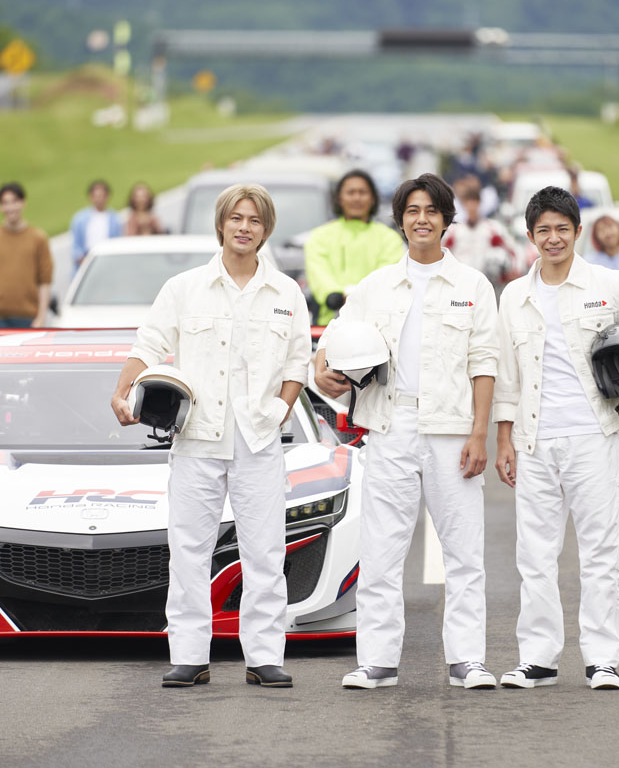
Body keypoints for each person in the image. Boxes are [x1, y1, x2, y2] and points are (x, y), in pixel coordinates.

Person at [110, 184, 312, 687]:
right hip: (197, 437)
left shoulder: (286, 293)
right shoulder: (184, 288)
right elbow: (149, 344)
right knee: (189, 550)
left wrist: (281, 408)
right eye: (236, 218)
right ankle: (190, 655)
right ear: (221, 224)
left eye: (255, 220)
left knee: (264, 552)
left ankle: (264, 657)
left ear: (266, 230)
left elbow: (297, 362)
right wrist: (121, 393)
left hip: (258, 439)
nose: (245, 227)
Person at [493, 186, 619, 691]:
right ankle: (538, 659)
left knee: (600, 554)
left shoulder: (608, 284)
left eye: (562, 229)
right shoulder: (515, 295)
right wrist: (504, 440)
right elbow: (507, 377)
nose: (553, 239)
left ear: (578, 231)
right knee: (534, 555)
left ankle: (603, 660)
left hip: (594, 437)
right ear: (530, 236)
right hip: (534, 443)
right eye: (543, 231)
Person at [314, 173, 499, 690]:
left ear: (446, 220)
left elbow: (486, 363)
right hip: (390, 428)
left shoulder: (473, 286)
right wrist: (322, 369)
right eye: (412, 210)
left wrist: (480, 432)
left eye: (432, 211)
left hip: (452, 430)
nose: (422, 219)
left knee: (464, 551)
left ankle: (468, 660)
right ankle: (377, 661)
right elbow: (326, 348)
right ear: (400, 220)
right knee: (381, 550)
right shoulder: (375, 287)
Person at [304, 169, 405, 325]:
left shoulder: (389, 238)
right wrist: (334, 295)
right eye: (350, 192)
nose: (356, 197)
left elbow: (387, 275)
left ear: (372, 198)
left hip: (375, 323)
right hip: (329, 323)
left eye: (362, 192)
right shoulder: (319, 236)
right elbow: (318, 273)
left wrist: (355, 297)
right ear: (339, 198)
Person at [0, 182, 53, 328]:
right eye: (5, 203)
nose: (10, 208)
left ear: (23, 203)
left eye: (14, 201)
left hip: (29, 317)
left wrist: (41, 318)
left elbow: (45, 281)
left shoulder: (38, 238)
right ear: (0, 207)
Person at [442, 174, 521, 286]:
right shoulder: (453, 231)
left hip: (486, 284)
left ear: (479, 203)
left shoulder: (492, 228)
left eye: (474, 202)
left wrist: (514, 272)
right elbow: (439, 254)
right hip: (459, 283)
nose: (471, 207)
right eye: (468, 203)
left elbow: (514, 250)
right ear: (464, 205)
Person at [71, 179, 123, 268]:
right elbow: (76, 246)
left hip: (107, 261)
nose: (98, 199)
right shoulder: (80, 219)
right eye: (96, 196)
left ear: (107, 196)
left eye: (101, 196)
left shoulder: (115, 219)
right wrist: (84, 262)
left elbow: (117, 242)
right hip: (86, 260)